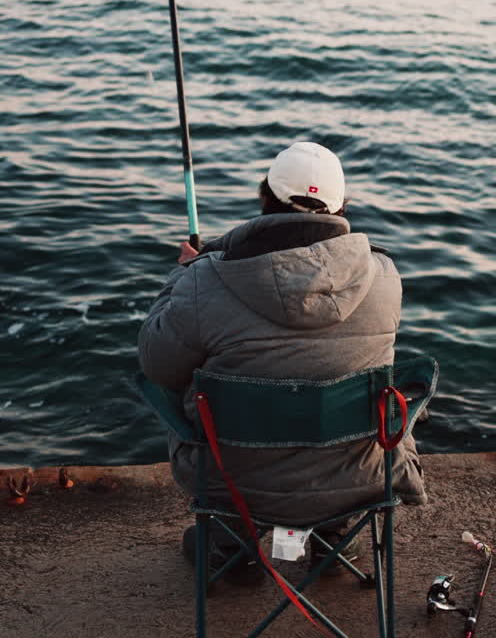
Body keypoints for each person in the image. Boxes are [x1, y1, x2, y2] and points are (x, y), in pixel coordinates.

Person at [138, 140, 426, 573]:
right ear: (341, 207)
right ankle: (334, 539)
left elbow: (156, 365)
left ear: (265, 198)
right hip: (358, 477)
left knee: (189, 389)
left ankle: (231, 545)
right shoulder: (384, 276)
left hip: (231, 481)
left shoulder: (204, 280)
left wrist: (184, 278)